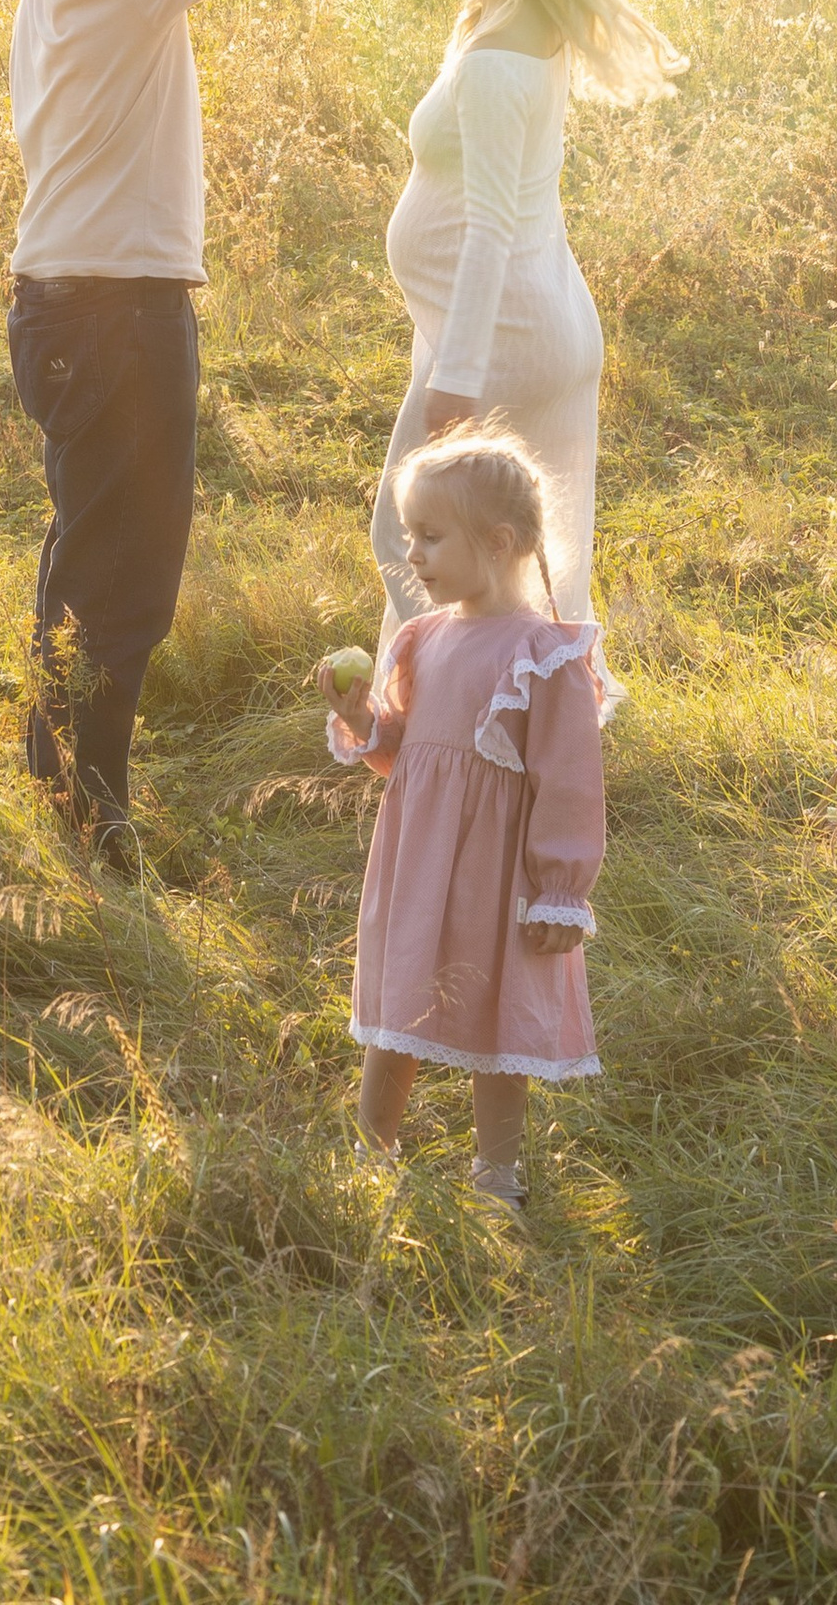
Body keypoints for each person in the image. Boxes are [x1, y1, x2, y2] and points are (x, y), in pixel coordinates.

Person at [6, 0, 436, 862]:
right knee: (127, 582)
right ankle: (95, 824)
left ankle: (56, 788)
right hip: (110, 314)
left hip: (66, 303)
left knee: (80, 557)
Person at [366, 0, 683, 665]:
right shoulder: (503, 0)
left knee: (435, 542)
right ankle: (464, 720)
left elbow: (490, 229)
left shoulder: (503, 58)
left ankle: (476, 725)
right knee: (511, 556)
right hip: (496, 326)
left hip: (501, 336)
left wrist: (458, 374)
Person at [317, 426, 606, 1210]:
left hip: (496, 870)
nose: (412, 555)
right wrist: (363, 718)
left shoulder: (544, 654)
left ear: (499, 540)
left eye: (432, 537)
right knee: (396, 1002)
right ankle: (370, 1153)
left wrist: (560, 890)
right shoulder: (422, 639)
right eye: (411, 536)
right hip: (418, 859)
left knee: (497, 1012)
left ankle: (495, 1175)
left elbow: (571, 782)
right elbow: (409, 756)